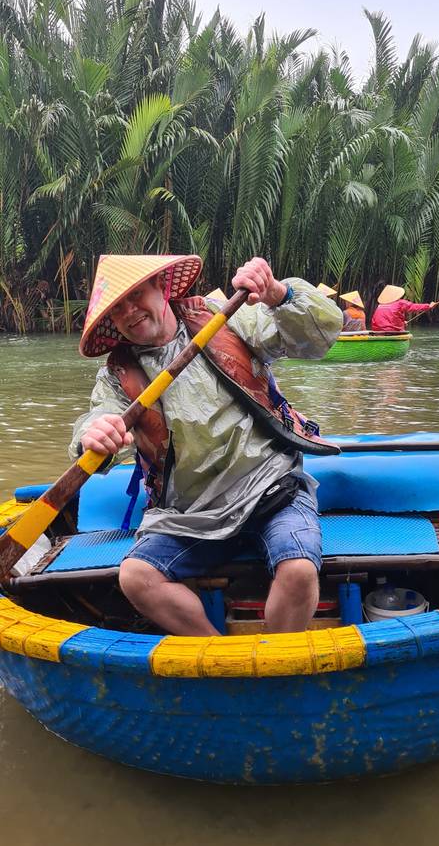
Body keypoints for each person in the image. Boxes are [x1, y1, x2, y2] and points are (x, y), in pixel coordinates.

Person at [70, 254, 343, 636]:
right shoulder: (117, 375)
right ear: (111, 323)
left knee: (297, 569)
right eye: (116, 309)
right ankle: (221, 659)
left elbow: (319, 338)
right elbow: (96, 421)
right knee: (136, 577)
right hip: (188, 512)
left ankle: (274, 667)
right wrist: (93, 433)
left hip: (270, 486)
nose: (130, 311)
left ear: (162, 288)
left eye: (137, 295)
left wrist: (278, 294)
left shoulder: (225, 317)